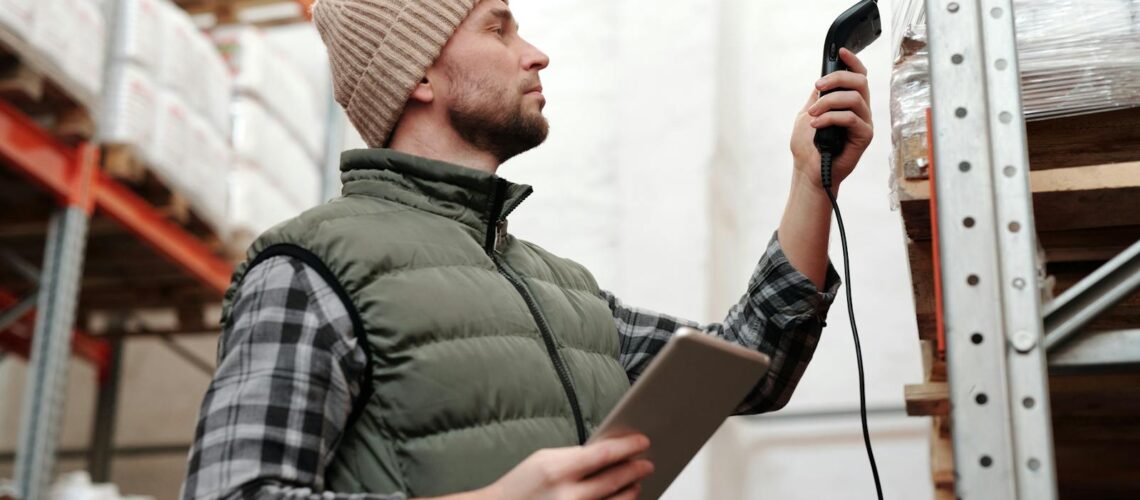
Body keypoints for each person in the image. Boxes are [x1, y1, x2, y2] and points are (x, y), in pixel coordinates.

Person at [181, 0, 873, 498]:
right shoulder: (309, 269)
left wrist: (813, 181)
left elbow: (753, 366)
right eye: (497, 25)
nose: (535, 52)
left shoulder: (560, 289)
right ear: (418, 75)